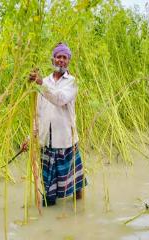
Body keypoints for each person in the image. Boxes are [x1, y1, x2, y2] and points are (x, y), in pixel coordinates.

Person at [29, 42, 87, 207]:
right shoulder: (44, 81)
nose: (61, 60)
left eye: (64, 57)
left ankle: (79, 212)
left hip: (66, 141)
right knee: (50, 194)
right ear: (53, 59)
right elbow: (38, 113)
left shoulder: (72, 82)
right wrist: (31, 135)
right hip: (47, 142)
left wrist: (41, 84)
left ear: (68, 61)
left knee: (76, 186)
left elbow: (60, 99)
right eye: (58, 56)